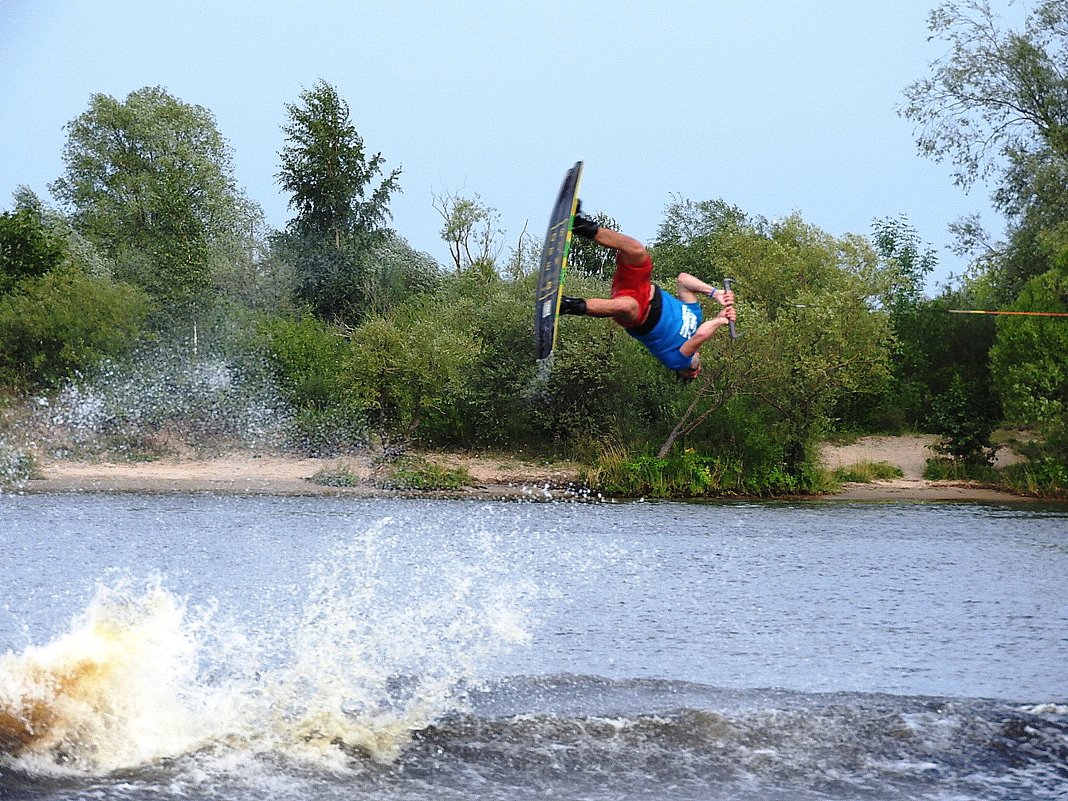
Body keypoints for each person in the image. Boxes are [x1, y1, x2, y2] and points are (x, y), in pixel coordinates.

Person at [558, 205, 735, 380]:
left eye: (691, 375)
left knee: (627, 306)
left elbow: (702, 335)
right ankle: (579, 225)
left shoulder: (677, 361)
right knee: (637, 251)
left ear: (682, 372)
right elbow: (683, 281)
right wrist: (715, 293)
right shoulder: (696, 316)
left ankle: (565, 305)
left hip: (639, 314)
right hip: (641, 286)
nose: (695, 372)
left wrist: (719, 320)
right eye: (697, 372)